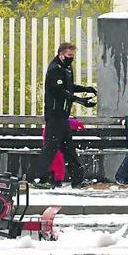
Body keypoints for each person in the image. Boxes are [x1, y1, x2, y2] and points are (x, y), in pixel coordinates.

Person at [38, 42, 97, 189]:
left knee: (69, 148)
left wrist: (85, 89)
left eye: (73, 56)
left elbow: (69, 87)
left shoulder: (67, 68)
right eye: (69, 56)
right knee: (51, 147)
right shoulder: (54, 70)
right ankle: (41, 178)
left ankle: (77, 180)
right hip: (54, 114)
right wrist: (80, 101)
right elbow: (60, 92)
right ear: (60, 54)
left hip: (63, 116)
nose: (71, 58)